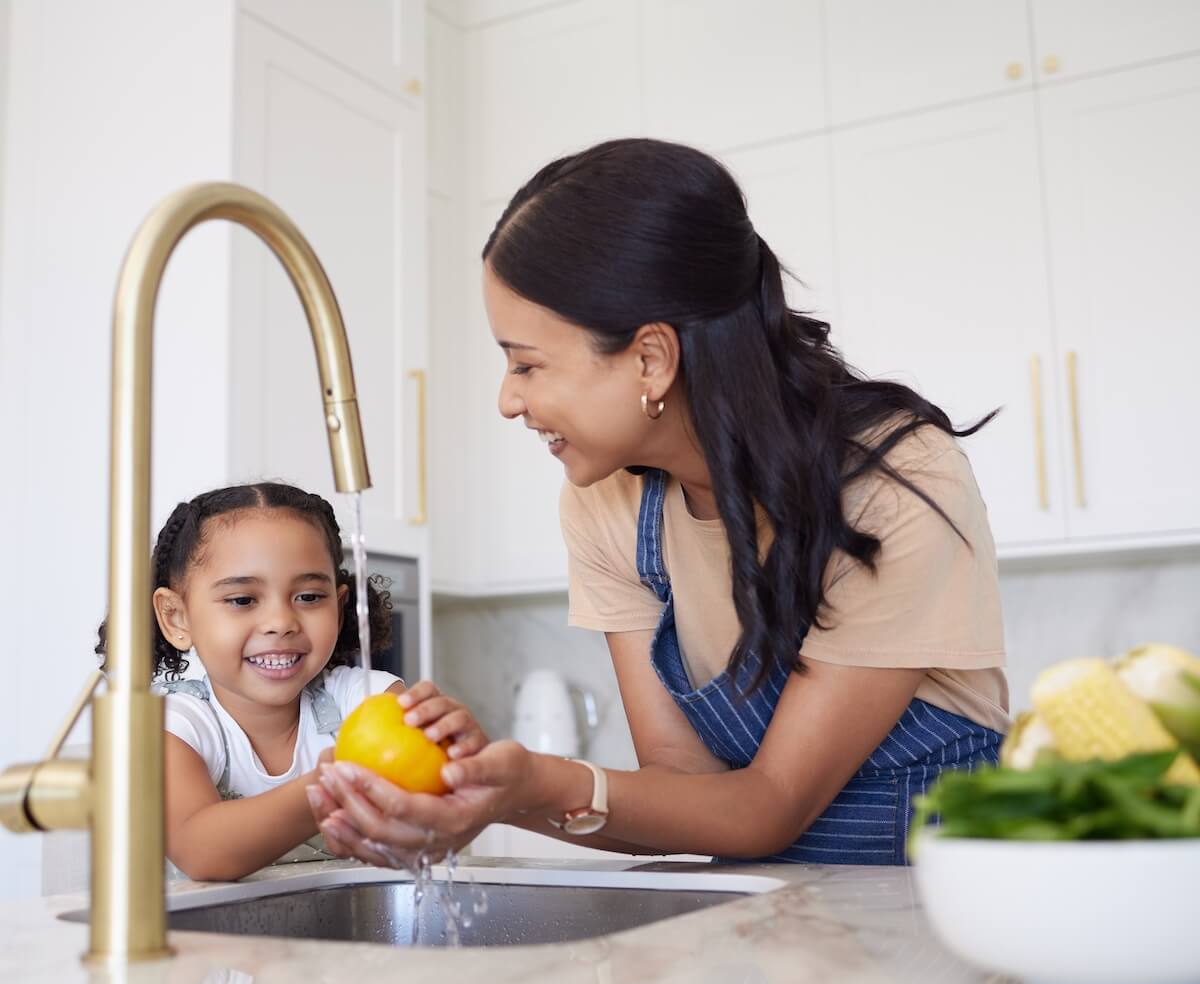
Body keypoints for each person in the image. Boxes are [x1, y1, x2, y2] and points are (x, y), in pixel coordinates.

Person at [309, 138, 1010, 868]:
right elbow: (684, 792)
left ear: (650, 358)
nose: (508, 399)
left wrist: (530, 785)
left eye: (526, 363)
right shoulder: (606, 502)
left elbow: (767, 806)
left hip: (928, 922)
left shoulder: (896, 481)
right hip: (761, 925)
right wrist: (488, 787)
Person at [94, 481, 483, 881]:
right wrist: (334, 783)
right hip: (209, 942)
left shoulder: (364, 698)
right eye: (243, 600)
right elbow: (202, 850)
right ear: (177, 618)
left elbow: (433, 811)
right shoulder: (175, 724)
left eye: (310, 597)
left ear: (340, 604)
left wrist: (453, 751)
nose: (281, 623)